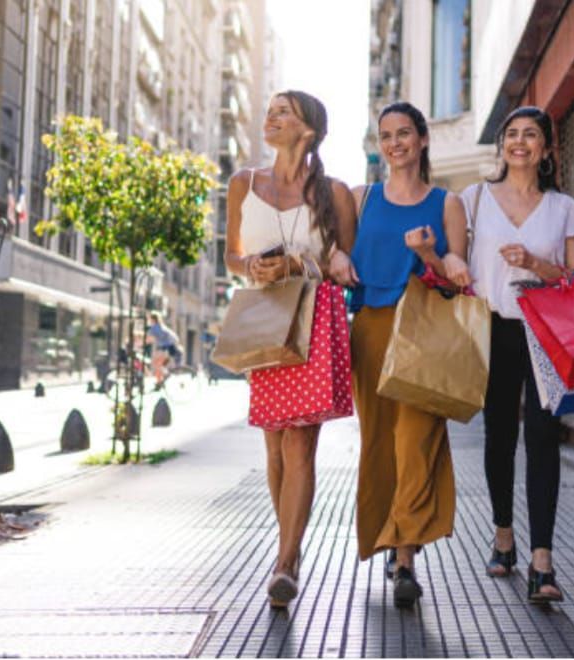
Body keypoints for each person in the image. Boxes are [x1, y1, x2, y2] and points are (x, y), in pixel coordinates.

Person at [447, 105, 574, 602]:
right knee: (500, 435)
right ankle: (503, 533)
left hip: (545, 331)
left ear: (547, 148)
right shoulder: (473, 199)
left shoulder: (564, 208)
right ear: (502, 145)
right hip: (492, 326)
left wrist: (534, 262)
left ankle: (543, 561)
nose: (520, 142)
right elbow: (453, 260)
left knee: (544, 436)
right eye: (512, 134)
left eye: (532, 134)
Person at [331, 101, 467, 609]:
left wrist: (432, 255)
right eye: (386, 135)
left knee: (417, 440)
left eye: (404, 133)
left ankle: (405, 556)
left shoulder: (447, 203)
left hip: (425, 331)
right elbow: (336, 256)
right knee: (379, 443)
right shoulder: (361, 199)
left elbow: (459, 278)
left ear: (423, 139)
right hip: (370, 329)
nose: (395, 143)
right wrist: (336, 256)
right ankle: (390, 541)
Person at [224, 90, 356, 608]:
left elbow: (346, 268)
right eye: (270, 110)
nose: (270, 117)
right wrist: (251, 266)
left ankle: (286, 561)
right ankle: (290, 546)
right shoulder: (243, 183)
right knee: (275, 446)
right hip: (263, 318)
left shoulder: (336, 192)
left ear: (309, 129)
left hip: (312, 321)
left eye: (283, 111)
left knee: (300, 443)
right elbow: (232, 255)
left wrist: (301, 265)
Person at [146, 311, 183, 390]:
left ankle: (164, 377)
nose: (148, 320)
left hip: (166, 349)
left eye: (149, 319)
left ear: (153, 319)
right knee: (158, 365)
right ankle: (160, 381)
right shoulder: (161, 326)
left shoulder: (155, 328)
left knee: (156, 364)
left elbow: (149, 339)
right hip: (170, 348)